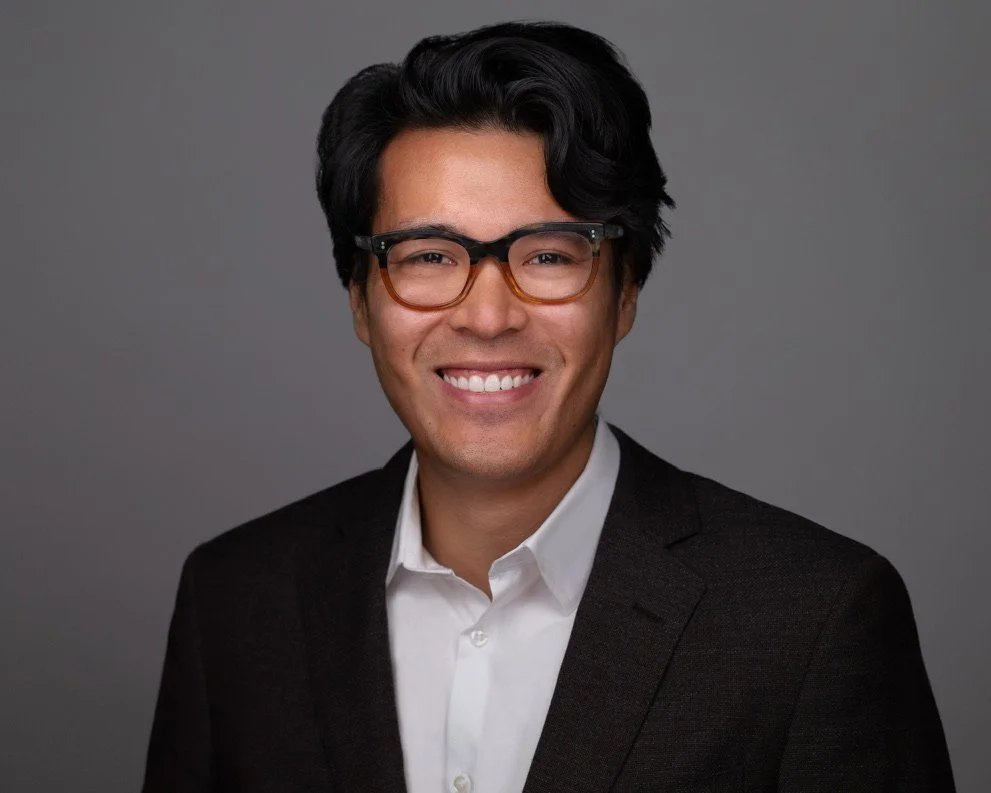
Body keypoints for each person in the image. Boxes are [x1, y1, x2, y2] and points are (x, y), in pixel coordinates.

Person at [142, 20, 955, 793]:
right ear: (359, 299)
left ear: (624, 291)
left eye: (547, 255)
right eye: (427, 255)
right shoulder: (237, 600)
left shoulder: (812, 617)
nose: (488, 316)